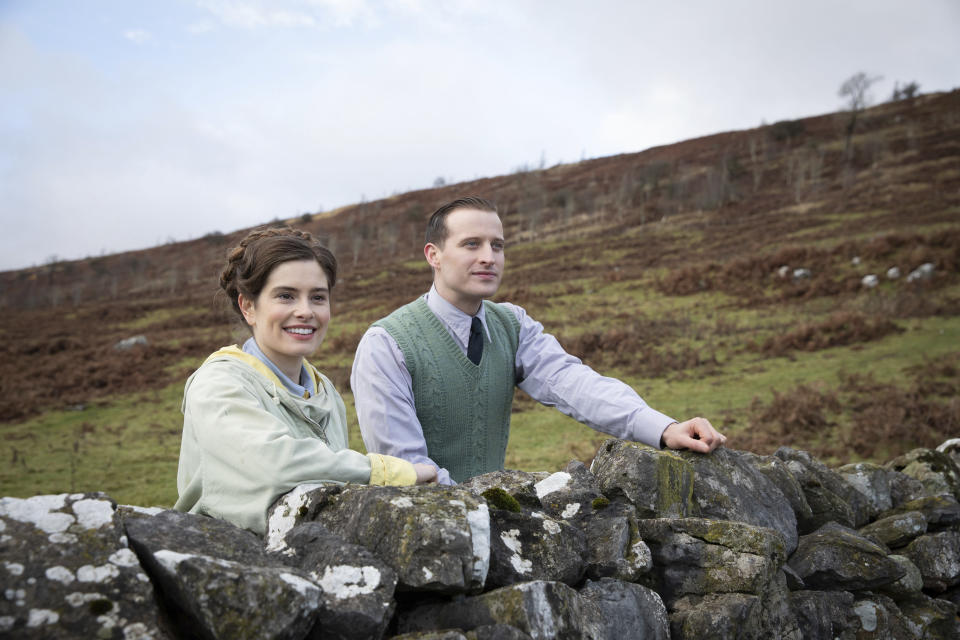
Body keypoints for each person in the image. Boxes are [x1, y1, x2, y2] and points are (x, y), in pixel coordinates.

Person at [351, 196, 726, 485]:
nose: (489, 257)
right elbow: (405, 466)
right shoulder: (386, 343)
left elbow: (573, 384)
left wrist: (662, 428)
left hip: (492, 522)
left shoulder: (512, 324)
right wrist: (480, 508)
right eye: (471, 244)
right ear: (433, 254)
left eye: (497, 245)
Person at [175, 227, 436, 535]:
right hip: (227, 559)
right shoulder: (218, 383)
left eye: (317, 297)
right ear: (248, 306)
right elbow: (276, 464)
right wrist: (391, 472)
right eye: (285, 296)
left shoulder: (324, 389)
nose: (305, 311)